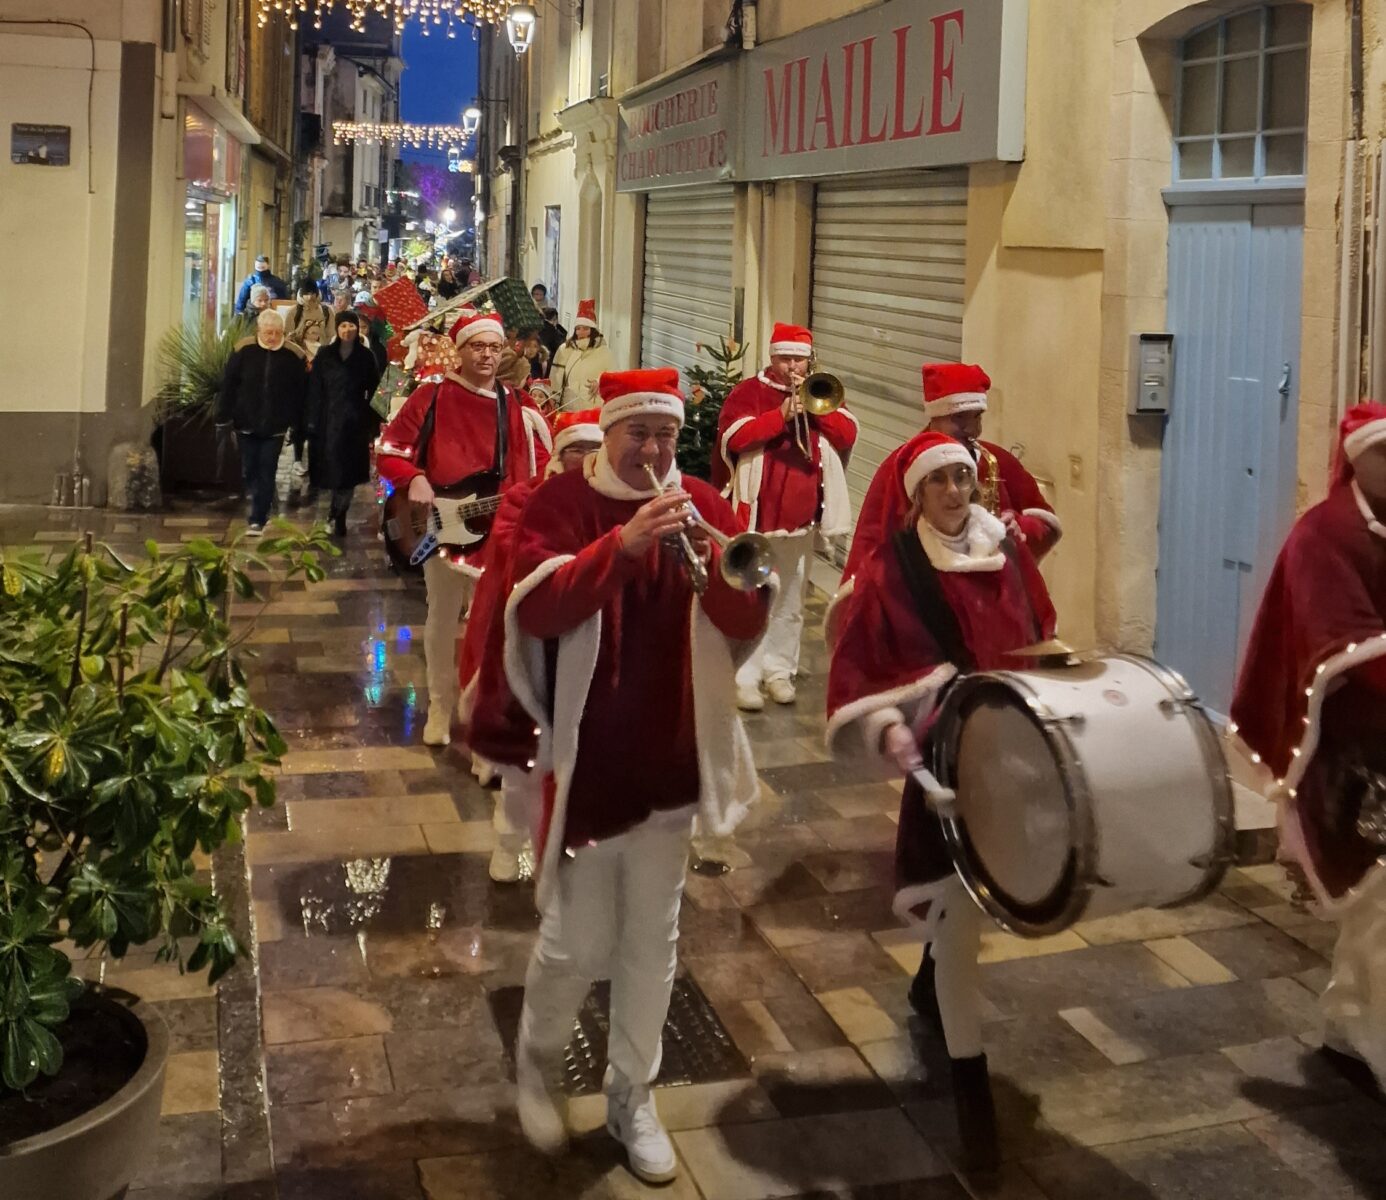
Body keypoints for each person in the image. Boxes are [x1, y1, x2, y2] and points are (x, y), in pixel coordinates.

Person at [503, 368, 770, 1183]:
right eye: (637, 434)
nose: (653, 450)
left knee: (654, 941)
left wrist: (713, 562)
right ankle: (537, 1061)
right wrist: (619, 548)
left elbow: (743, 618)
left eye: (665, 435)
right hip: (589, 763)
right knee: (576, 940)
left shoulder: (705, 507)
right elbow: (536, 613)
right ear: (610, 433)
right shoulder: (560, 506)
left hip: (671, 757)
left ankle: (633, 1093)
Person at [826, 429, 1056, 1172]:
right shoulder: (894, 570)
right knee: (961, 920)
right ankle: (972, 1098)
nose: (956, 493)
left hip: (1012, 761)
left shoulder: (1008, 552)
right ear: (915, 494)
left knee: (988, 906)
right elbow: (862, 669)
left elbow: (1039, 634)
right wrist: (891, 724)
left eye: (964, 478)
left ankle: (928, 986)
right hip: (947, 764)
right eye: (940, 482)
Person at [1230, 401, 1386, 1086]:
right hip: (1351, 757)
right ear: (1357, 457)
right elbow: (1340, 645)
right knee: (1379, 899)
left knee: (1373, 905)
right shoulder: (1321, 535)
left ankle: (1348, 1025)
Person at [377, 309, 552, 746]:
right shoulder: (431, 397)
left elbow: (538, 463)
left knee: (495, 624)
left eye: (495, 347)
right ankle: (439, 703)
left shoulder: (516, 404)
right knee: (441, 616)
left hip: (500, 531)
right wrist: (413, 477)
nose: (488, 355)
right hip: (442, 529)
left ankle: (484, 707)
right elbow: (391, 449)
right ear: (460, 350)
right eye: (478, 346)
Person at [457, 408, 604, 883]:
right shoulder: (525, 496)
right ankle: (508, 841)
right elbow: (509, 547)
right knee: (525, 757)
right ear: (560, 453)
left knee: (584, 755)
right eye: (576, 450)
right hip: (532, 643)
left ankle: (570, 842)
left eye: (593, 450)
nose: (585, 459)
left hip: (591, 649)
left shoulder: (609, 498)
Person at [714, 322, 858, 710]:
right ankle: (745, 675)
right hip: (757, 515)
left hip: (801, 516)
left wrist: (817, 411)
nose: (793, 366)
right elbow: (734, 438)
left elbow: (847, 435)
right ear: (772, 357)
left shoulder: (822, 389)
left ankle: (780, 672)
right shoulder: (749, 392)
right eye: (785, 358)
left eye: (799, 358)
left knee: (791, 599)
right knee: (751, 597)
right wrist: (779, 415)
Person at [838, 363, 1062, 611]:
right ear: (935, 417)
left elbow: (1044, 520)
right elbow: (872, 539)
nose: (971, 429)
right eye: (959, 418)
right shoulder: (900, 466)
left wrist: (1020, 527)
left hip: (995, 599)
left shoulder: (997, 460)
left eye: (977, 417)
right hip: (926, 603)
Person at [216, 309, 309, 535]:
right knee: (250, 469)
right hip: (246, 421)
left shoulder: (293, 356)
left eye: (278, 333)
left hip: (276, 425)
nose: (273, 337)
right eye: (268, 333)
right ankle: (263, 501)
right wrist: (223, 417)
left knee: (268, 468)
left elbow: (300, 393)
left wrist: (298, 424)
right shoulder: (243, 350)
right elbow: (229, 386)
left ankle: (258, 517)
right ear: (259, 331)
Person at [305, 310, 383, 538]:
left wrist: (373, 421)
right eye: (343, 326)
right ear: (337, 329)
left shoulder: (366, 356)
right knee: (332, 472)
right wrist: (311, 419)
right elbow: (315, 389)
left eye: (351, 325)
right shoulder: (325, 354)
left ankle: (337, 514)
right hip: (327, 422)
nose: (347, 330)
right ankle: (335, 512)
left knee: (347, 474)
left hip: (354, 423)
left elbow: (375, 388)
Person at [549, 300, 615, 410]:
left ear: (593, 331)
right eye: (578, 328)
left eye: (585, 329)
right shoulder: (565, 350)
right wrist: (553, 401)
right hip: (568, 407)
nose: (581, 332)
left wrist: (600, 382)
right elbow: (555, 378)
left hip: (593, 408)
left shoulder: (604, 352)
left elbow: (614, 375)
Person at [288, 277, 329, 353]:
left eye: (312, 294)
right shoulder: (293, 312)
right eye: (306, 294)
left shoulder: (327, 311)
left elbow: (331, 336)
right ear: (301, 294)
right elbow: (288, 337)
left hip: (322, 355)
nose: (310, 297)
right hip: (300, 354)